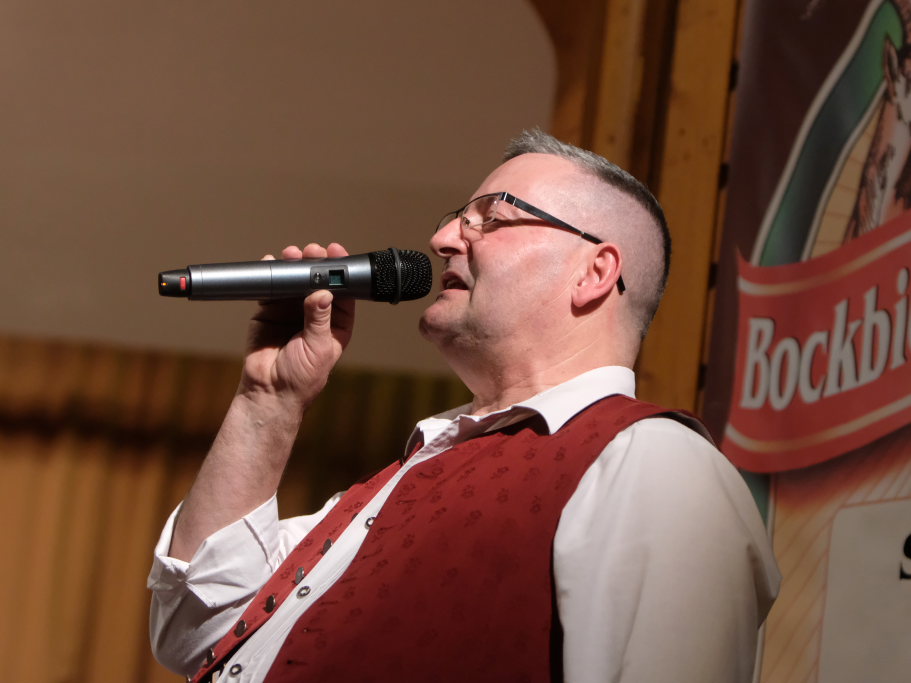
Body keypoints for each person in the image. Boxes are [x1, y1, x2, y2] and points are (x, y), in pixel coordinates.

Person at [148, 129, 780, 683]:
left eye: (491, 218)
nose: (443, 237)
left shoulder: (656, 464)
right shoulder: (399, 481)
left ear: (593, 272)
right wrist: (269, 399)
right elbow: (193, 631)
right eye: (457, 218)